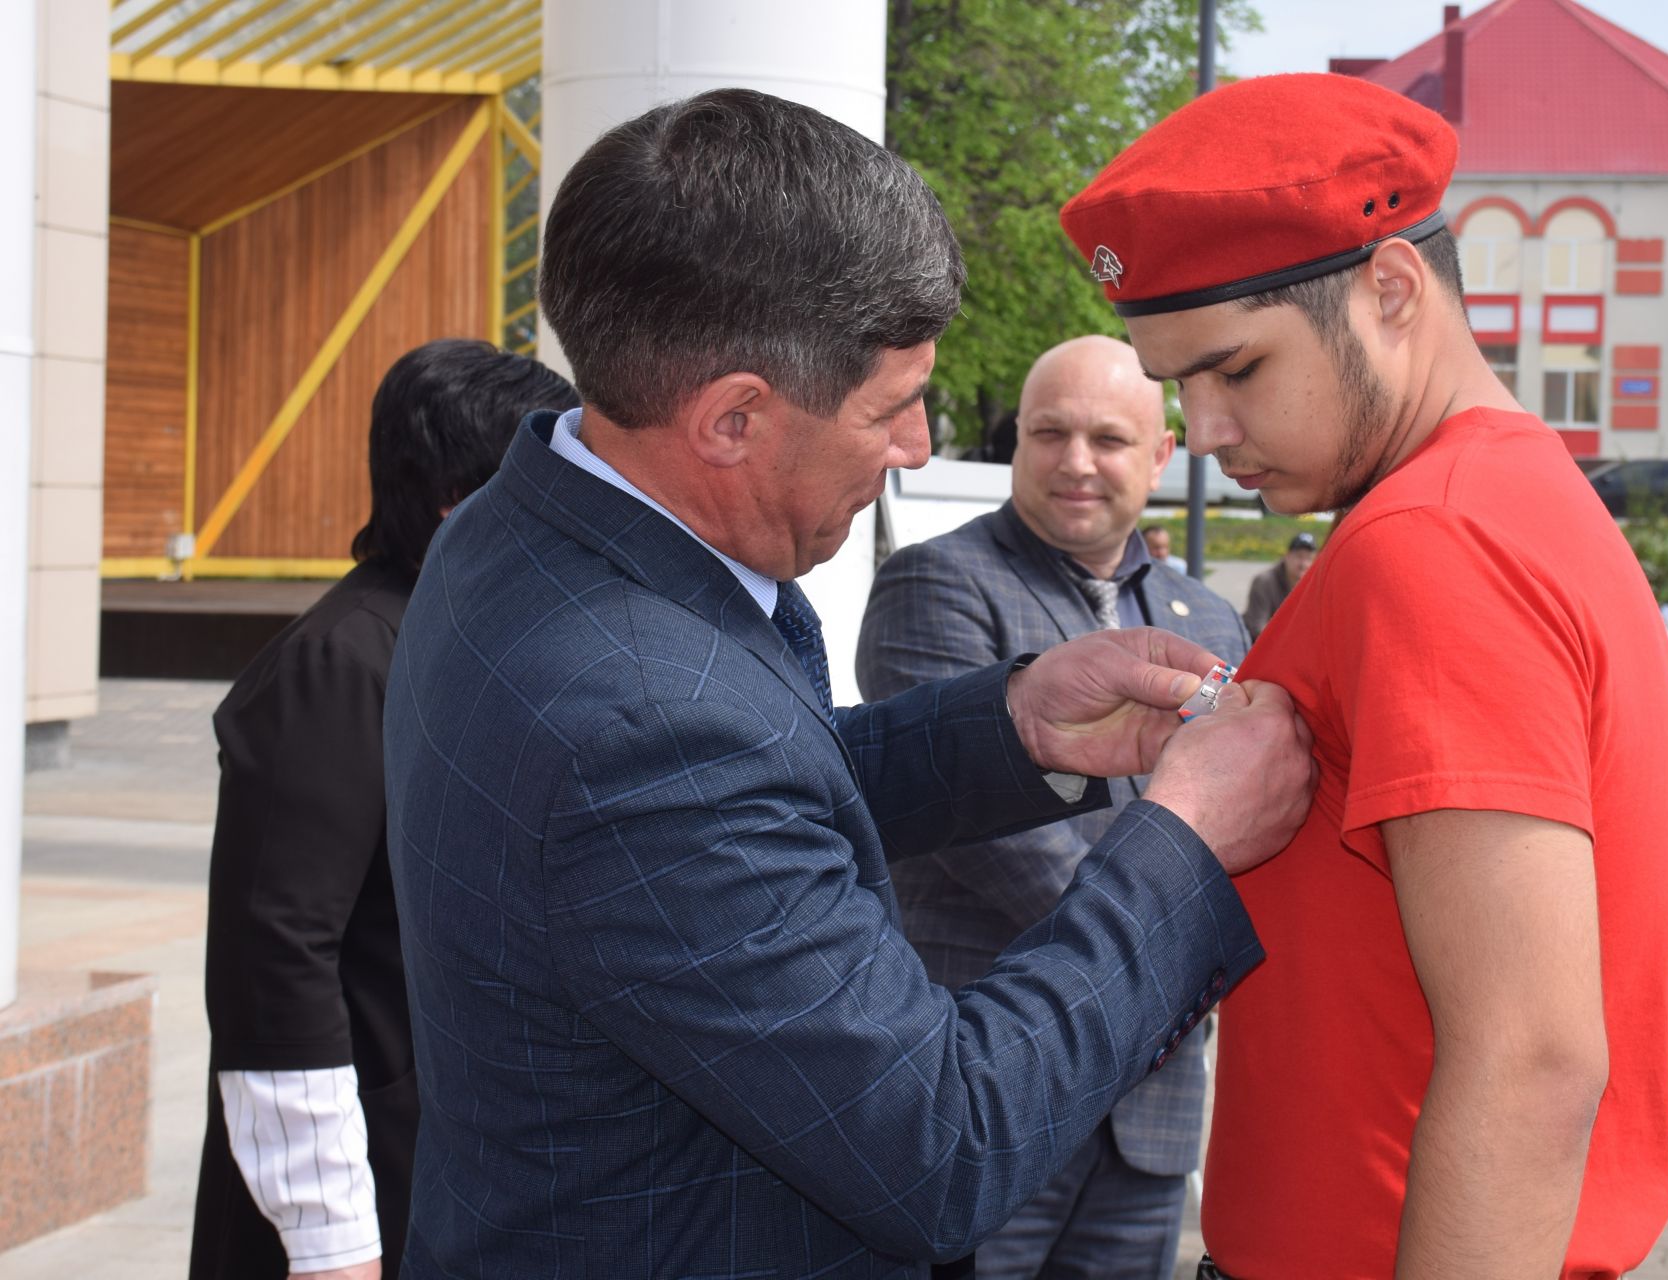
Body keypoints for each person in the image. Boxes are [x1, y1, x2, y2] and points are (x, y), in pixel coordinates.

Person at [383, 88, 1320, 1279]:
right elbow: (944, 1143)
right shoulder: (641, 723)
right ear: (732, 417)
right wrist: (1184, 841)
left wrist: (1012, 724)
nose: (920, 447)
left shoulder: (521, 527)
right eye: (891, 407)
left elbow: (748, 812)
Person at [1060, 72, 1668, 1277]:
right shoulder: (1503, 493)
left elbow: (1531, 1056)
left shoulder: (1432, 538)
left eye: (1236, 370)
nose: (1204, 431)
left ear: (1392, 287)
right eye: (1178, 384)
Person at [856, 335, 1248, 1279]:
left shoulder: (1211, 618)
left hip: (1148, 1115)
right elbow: (1005, 854)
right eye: (1049, 433)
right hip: (994, 1091)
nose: (1076, 461)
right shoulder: (939, 583)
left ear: (1160, 455)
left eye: (1108, 439)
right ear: (1017, 443)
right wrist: (1188, 954)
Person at [187, 341, 579, 1280]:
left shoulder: (474, 639)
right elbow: (275, 954)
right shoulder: (342, 662)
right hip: (363, 1195)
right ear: (457, 500)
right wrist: (330, 1239)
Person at [1240, 531, 1316, 636]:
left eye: (1309, 558)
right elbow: (1257, 628)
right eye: (1299, 556)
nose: (1303, 564)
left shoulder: (1314, 585)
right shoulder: (1264, 582)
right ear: (1287, 556)